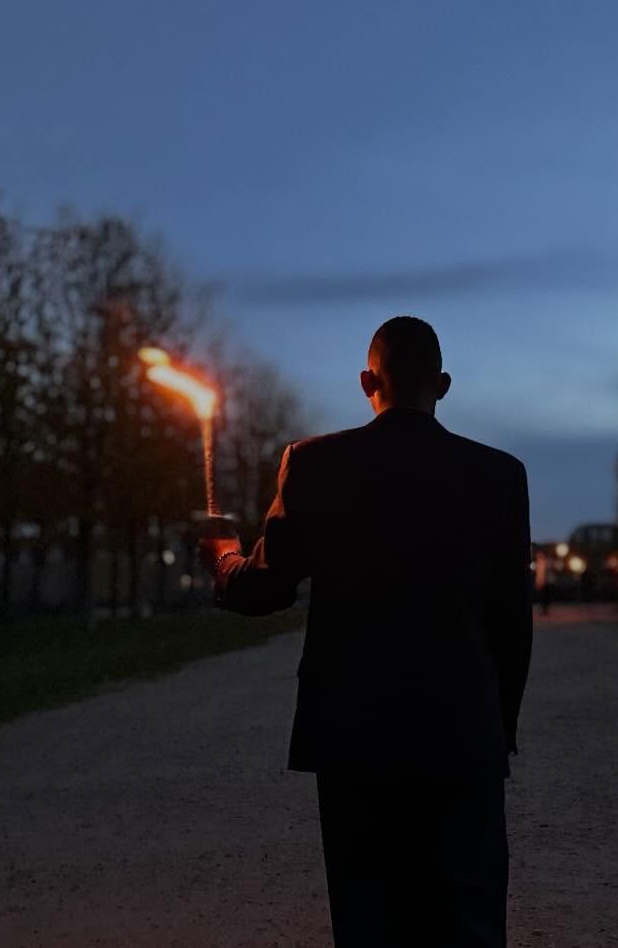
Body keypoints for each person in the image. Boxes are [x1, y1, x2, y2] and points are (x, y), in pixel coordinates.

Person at [199, 316, 532, 947]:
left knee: (368, 917)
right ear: (444, 384)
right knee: (469, 918)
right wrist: (498, 726)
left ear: (364, 381)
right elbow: (512, 623)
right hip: (462, 733)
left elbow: (263, 588)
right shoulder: (499, 475)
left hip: (355, 736)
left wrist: (222, 557)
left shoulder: (314, 464)